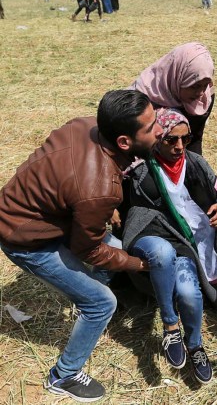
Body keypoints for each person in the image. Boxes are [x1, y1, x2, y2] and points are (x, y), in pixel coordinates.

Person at [0, 90, 162, 402]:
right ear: (124, 142)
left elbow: (73, 188)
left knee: (111, 243)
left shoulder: (86, 125)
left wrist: (94, 208)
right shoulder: (98, 188)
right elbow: (88, 250)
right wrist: (137, 264)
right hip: (24, 238)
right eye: (150, 127)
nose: (160, 130)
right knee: (102, 302)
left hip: (35, 213)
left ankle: (82, 301)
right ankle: (64, 375)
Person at [122, 108, 217, 384]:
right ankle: (173, 329)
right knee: (178, 280)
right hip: (168, 239)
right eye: (171, 139)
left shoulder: (195, 162)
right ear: (157, 137)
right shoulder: (142, 170)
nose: (179, 146)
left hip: (195, 242)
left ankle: (194, 345)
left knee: (190, 296)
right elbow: (121, 196)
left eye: (185, 138)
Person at [129, 42, 215, 156]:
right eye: (194, 86)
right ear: (177, 77)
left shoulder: (204, 99)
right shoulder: (142, 100)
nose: (200, 93)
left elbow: (195, 137)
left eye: (205, 85)